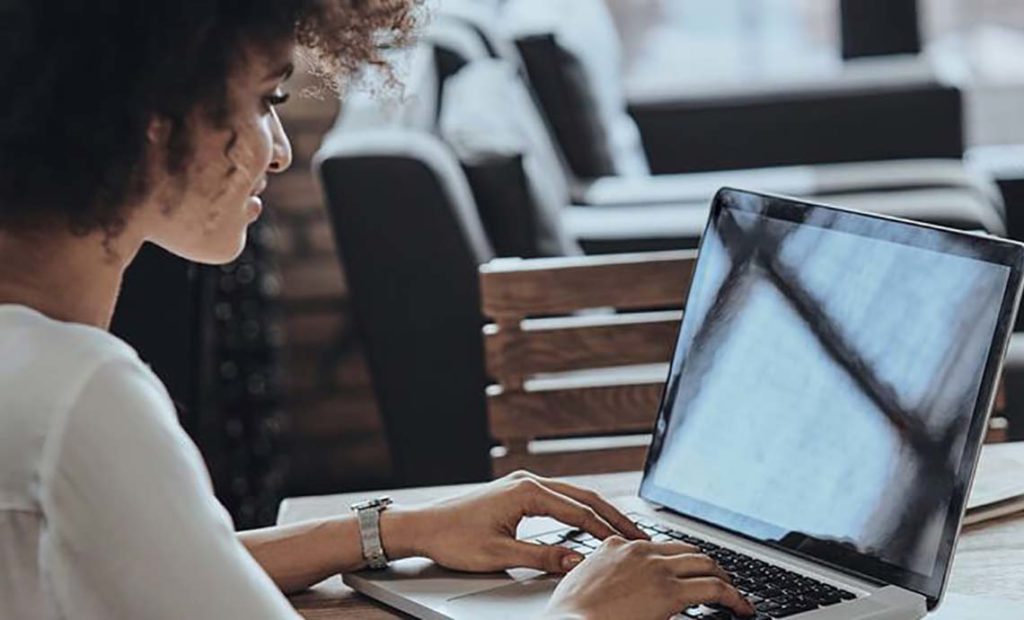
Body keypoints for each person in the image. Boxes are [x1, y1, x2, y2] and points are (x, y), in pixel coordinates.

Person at [0, 2, 754, 619]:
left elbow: (163, 567)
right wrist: (583, 612)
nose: (280, 151)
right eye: (266, 101)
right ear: (152, 121)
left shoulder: (32, 370)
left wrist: (392, 529)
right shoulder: (83, 394)